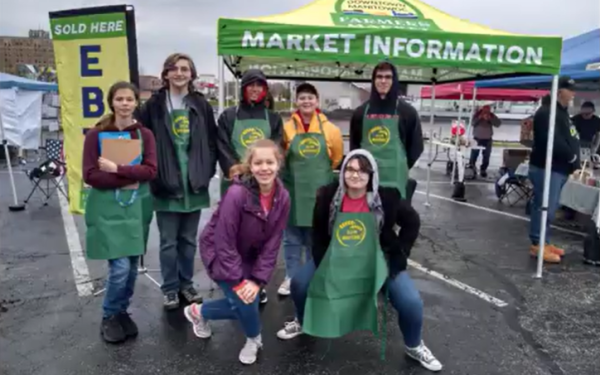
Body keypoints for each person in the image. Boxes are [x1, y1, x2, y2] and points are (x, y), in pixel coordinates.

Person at [276, 149, 443, 372]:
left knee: (410, 302)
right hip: (335, 257)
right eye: (351, 169)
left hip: (377, 260)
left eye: (363, 171)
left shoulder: (388, 197)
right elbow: (318, 233)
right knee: (299, 284)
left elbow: (412, 222)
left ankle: (414, 345)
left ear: (372, 174)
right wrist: (324, 261)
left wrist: (400, 253)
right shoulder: (327, 196)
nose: (356, 175)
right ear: (343, 172)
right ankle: (303, 321)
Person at [184, 139, 290, 365]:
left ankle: (198, 311)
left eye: (269, 162)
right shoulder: (236, 194)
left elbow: (273, 243)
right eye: (258, 162)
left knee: (243, 302)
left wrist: (257, 279)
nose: (264, 168)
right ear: (250, 166)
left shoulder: (283, 198)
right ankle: (254, 339)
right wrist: (239, 281)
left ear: (278, 164)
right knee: (245, 302)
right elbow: (224, 241)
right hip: (219, 251)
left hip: (251, 254)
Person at [139, 53, 218, 310]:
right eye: (174, 69)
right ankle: (170, 288)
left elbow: (210, 140)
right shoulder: (153, 106)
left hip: (193, 182)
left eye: (185, 69)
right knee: (168, 241)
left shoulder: (200, 104)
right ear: (165, 74)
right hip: (165, 182)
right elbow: (141, 139)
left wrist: (205, 171)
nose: (180, 73)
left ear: (192, 74)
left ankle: (186, 284)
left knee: (188, 240)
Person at [82, 81, 157, 343]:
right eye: (119, 99)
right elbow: (90, 175)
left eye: (129, 99)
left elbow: (150, 170)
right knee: (120, 268)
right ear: (111, 102)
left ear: (136, 103)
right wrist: (129, 179)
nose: (125, 104)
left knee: (133, 265)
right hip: (106, 209)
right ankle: (109, 314)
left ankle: (122, 310)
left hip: (136, 207)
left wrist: (117, 170)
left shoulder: (144, 134)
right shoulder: (96, 134)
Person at [277, 83, 343, 296]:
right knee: (291, 240)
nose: (306, 101)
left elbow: (336, 159)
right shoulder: (286, 128)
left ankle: (313, 276)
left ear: (317, 101)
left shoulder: (331, 130)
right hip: (293, 193)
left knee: (315, 239)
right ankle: (291, 277)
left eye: (310, 98)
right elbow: (280, 158)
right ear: (296, 101)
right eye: (302, 97)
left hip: (319, 195)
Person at [349, 61, 423, 201]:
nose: (383, 81)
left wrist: (401, 165)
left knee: (393, 218)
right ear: (373, 80)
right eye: (379, 77)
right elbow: (355, 147)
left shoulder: (407, 112)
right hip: (367, 178)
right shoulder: (360, 113)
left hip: (395, 178)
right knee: (367, 218)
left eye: (388, 77)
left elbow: (416, 146)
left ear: (394, 81)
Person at [528, 77, 580, 263]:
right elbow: (551, 140)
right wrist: (571, 156)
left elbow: (568, 136)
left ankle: (544, 241)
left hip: (558, 168)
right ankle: (537, 243)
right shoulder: (546, 112)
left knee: (549, 207)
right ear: (559, 91)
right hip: (546, 168)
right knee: (545, 208)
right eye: (570, 90)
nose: (573, 93)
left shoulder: (561, 112)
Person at [217, 69, 283, 197]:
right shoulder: (228, 116)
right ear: (244, 88)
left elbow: (276, 146)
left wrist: (259, 167)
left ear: (264, 90)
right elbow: (222, 146)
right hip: (235, 182)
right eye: (251, 85)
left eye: (259, 85)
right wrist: (236, 167)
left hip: (263, 180)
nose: (255, 89)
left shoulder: (274, 118)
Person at [468, 104, 501, 178]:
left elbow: (498, 124)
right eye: (485, 109)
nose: (486, 111)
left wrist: (490, 119)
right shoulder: (477, 114)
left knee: (486, 156)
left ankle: (483, 170)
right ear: (482, 109)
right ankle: (472, 169)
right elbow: (472, 123)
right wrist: (480, 118)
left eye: (488, 109)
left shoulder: (491, 115)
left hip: (487, 139)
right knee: (474, 155)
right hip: (477, 138)